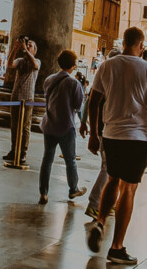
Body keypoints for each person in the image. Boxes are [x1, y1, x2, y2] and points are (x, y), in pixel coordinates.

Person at [84, 26, 147, 266]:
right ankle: (117, 247)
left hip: (111, 135)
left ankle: (100, 221)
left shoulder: (106, 66)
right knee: (129, 189)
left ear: (123, 42)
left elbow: (93, 102)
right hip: (137, 137)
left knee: (112, 179)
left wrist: (93, 133)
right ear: (141, 45)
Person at [38, 49, 86, 204]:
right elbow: (78, 105)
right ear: (72, 65)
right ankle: (73, 189)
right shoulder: (74, 83)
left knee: (47, 159)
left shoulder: (49, 80)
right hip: (66, 126)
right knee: (70, 159)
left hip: (50, 124)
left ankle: (43, 192)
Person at [5, 36, 40, 167]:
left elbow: (35, 65)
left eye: (30, 45)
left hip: (27, 98)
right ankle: (14, 151)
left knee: (25, 127)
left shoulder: (36, 61)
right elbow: (9, 64)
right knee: (14, 125)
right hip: (16, 96)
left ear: (34, 50)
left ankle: (23, 152)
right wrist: (15, 50)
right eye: (27, 44)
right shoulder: (20, 61)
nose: (27, 46)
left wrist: (26, 51)